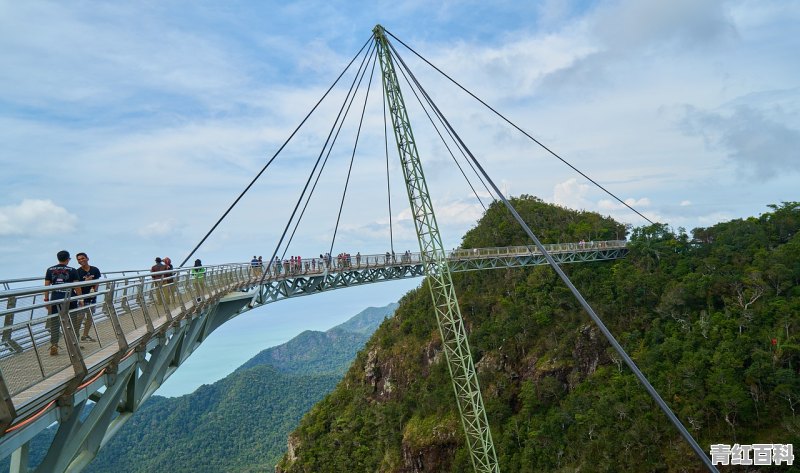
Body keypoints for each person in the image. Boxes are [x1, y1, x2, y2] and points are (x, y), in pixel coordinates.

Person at [44, 250, 83, 356]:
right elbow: (77, 286)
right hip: (70, 299)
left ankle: (54, 344)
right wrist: (81, 299)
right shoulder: (72, 270)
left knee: (55, 323)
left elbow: (46, 286)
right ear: (68, 259)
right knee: (72, 322)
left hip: (55, 299)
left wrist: (46, 300)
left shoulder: (50, 270)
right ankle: (74, 344)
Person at [75, 252, 101, 342]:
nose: (81, 260)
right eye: (79, 259)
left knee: (90, 317)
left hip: (92, 297)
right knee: (79, 318)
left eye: (82, 258)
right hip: (82, 298)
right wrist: (85, 282)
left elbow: (97, 282)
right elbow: (76, 287)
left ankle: (85, 335)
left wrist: (95, 291)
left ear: (87, 258)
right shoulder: (77, 272)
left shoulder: (95, 269)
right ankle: (76, 337)